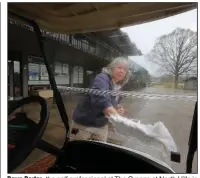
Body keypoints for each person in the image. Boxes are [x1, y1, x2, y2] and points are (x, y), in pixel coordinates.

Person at [70, 57, 130, 142]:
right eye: (119, 67)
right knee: (77, 150)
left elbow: (113, 102)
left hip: (101, 125)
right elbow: (102, 100)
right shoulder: (102, 78)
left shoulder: (118, 86)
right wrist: (120, 119)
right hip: (83, 124)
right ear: (112, 68)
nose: (122, 71)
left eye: (124, 69)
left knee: (99, 152)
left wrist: (118, 108)